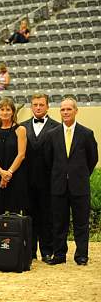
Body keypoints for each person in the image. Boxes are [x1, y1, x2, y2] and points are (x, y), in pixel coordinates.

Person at [44, 97, 98, 266]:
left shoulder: (86, 134)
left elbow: (93, 159)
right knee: (59, 223)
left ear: (76, 111)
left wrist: (79, 174)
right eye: (62, 110)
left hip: (79, 186)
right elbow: (48, 160)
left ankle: (81, 255)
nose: (65, 112)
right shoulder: (51, 135)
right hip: (58, 186)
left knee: (81, 223)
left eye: (68, 109)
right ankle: (59, 255)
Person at [20, 93, 60, 262]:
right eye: (35, 104)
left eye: (41, 105)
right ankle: (30, 250)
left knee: (47, 216)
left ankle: (46, 250)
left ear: (47, 106)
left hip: (48, 180)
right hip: (27, 180)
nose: (38, 107)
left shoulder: (57, 127)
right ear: (31, 106)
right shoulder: (21, 127)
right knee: (28, 217)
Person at [0, 97, 28, 214]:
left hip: (15, 176)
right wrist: (2, 173)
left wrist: (8, 173)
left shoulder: (20, 129)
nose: (5, 113)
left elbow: (21, 154)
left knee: (14, 211)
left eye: (8, 110)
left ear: (13, 112)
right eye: (2, 110)